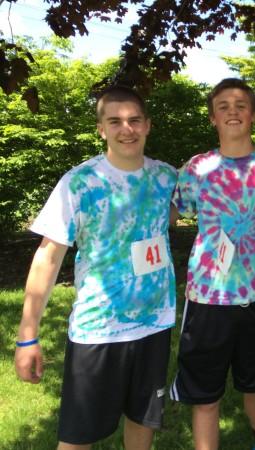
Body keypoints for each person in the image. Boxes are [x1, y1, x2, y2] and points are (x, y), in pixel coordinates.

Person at [14, 85, 178, 450]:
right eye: (115, 121)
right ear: (101, 129)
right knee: (76, 440)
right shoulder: (80, 182)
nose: (127, 129)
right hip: (98, 330)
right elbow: (47, 256)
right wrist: (28, 335)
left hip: (155, 324)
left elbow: (189, 212)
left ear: (148, 125)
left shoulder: (166, 178)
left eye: (135, 120)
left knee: (142, 424)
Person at [169, 78, 255, 450]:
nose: (232, 112)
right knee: (205, 394)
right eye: (223, 106)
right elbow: (168, 213)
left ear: (253, 114)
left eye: (241, 105)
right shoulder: (196, 168)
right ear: (212, 118)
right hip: (207, 297)